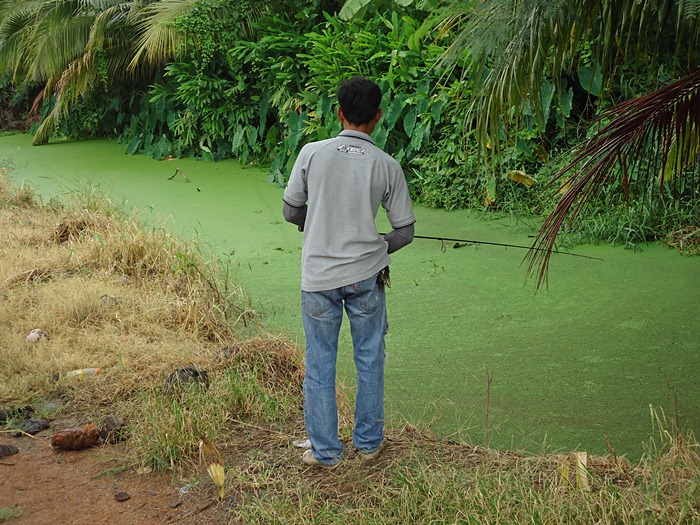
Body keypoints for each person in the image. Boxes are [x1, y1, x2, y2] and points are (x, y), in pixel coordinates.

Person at [283, 76, 415, 467]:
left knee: (320, 362)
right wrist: (375, 242)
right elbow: (404, 232)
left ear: (339, 113)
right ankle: (370, 443)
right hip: (367, 278)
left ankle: (326, 453)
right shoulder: (387, 165)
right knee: (370, 358)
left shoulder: (311, 153)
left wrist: (321, 223)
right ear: (377, 118)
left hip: (318, 279)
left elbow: (291, 210)